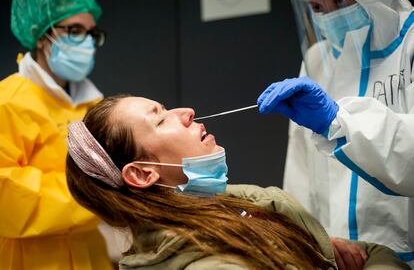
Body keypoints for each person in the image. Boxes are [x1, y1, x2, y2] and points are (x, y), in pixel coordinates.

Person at [65, 95, 409, 269]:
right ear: (141, 173)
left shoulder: (248, 205)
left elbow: (373, 253)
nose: (186, 112)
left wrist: (314, 248)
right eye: (160, 120)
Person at [257, 0, 414, 265]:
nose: (330, 16)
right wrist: (311, 242)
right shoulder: (317, 59)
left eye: (340, 0)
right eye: (317, 7)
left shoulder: (409, 42)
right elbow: (302, 173)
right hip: (336, 257)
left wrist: (338, 120)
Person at [0, 0, 112, 269]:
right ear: (41, 36)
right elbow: (7, 195)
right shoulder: (8, 101)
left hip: (90, 254)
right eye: (74, 31)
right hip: (29, 259)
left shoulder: (94, 104)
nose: (86, 42)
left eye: (91, 33)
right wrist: (96, 193)